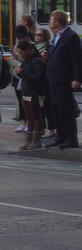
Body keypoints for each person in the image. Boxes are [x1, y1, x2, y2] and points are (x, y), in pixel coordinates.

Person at [45, 10, 82, 149]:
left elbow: (77, 59)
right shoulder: (57, 36)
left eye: (50, 20)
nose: (49, 22)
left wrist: (77, 79)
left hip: (64, 79)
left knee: (66, 110)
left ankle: (70, 139)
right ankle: (60, 137)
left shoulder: (70, 36)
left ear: (57, 22)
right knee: (56, 109)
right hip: (54, 78)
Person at [13, 39, 47, 150]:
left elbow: (39, 78)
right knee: (29, 116)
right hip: (26, 91)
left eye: (22, 52)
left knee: (36, 116)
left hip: (35, 92)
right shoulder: (26, 60)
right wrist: (20, 73)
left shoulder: (37, 61)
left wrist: (23, 73)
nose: (20, 55)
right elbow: (26, 76)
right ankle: (29, 140)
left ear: (28, 50)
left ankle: (36, 140)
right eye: (19, 53)